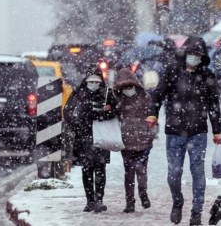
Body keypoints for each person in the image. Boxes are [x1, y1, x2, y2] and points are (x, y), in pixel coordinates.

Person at [146, 36, 221, 225]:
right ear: (185, 53)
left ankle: (196, 212)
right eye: (191, 54)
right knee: (174, 173)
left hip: (198, 131)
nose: (194, 57)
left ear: (202, 56)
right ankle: (177, 200)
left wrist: (217, 130)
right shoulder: (172, 71)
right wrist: (152, 114)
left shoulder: (207, 76)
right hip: (174, 130)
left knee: (197, 172)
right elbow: (158, 94)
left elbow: (213, 105)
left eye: (198, 55)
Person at [63, 70, 117, 213]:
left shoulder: (106, 94)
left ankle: (99, 200)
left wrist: (103, 114)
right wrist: (76, 124)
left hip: (101, 135)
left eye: (96, 82)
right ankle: (90, 201)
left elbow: (116, 110)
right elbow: (67, 110)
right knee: (87, 169)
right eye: (90, 82)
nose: (93, 85)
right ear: (85, 82)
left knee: (100, 167)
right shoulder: (79, 93)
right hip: (83, 136)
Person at [113, 68, 156, 213]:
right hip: (126, 141)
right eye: (124, 87)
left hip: (144, 140)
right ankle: (130, 202)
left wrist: (151, 134)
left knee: (141, 170)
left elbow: (153, 117)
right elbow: (113, 115)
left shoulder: (145, 97)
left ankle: (143, 195)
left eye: (130, 86)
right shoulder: (118, 100)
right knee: (129, 173)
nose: (128, 90)